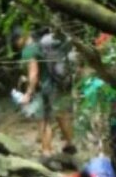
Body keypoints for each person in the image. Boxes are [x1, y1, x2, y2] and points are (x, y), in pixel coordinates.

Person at [14, 28, 75, 157]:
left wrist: (28, 94)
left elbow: (34, 74)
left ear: (22, 37)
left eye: (16, 40)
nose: (16, 44)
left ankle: (47, 151)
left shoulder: (28, 51)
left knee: (43, 120)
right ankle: (70, 144)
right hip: (55, 85)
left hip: (42, 90)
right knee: (61, 115)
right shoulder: (40, 46)